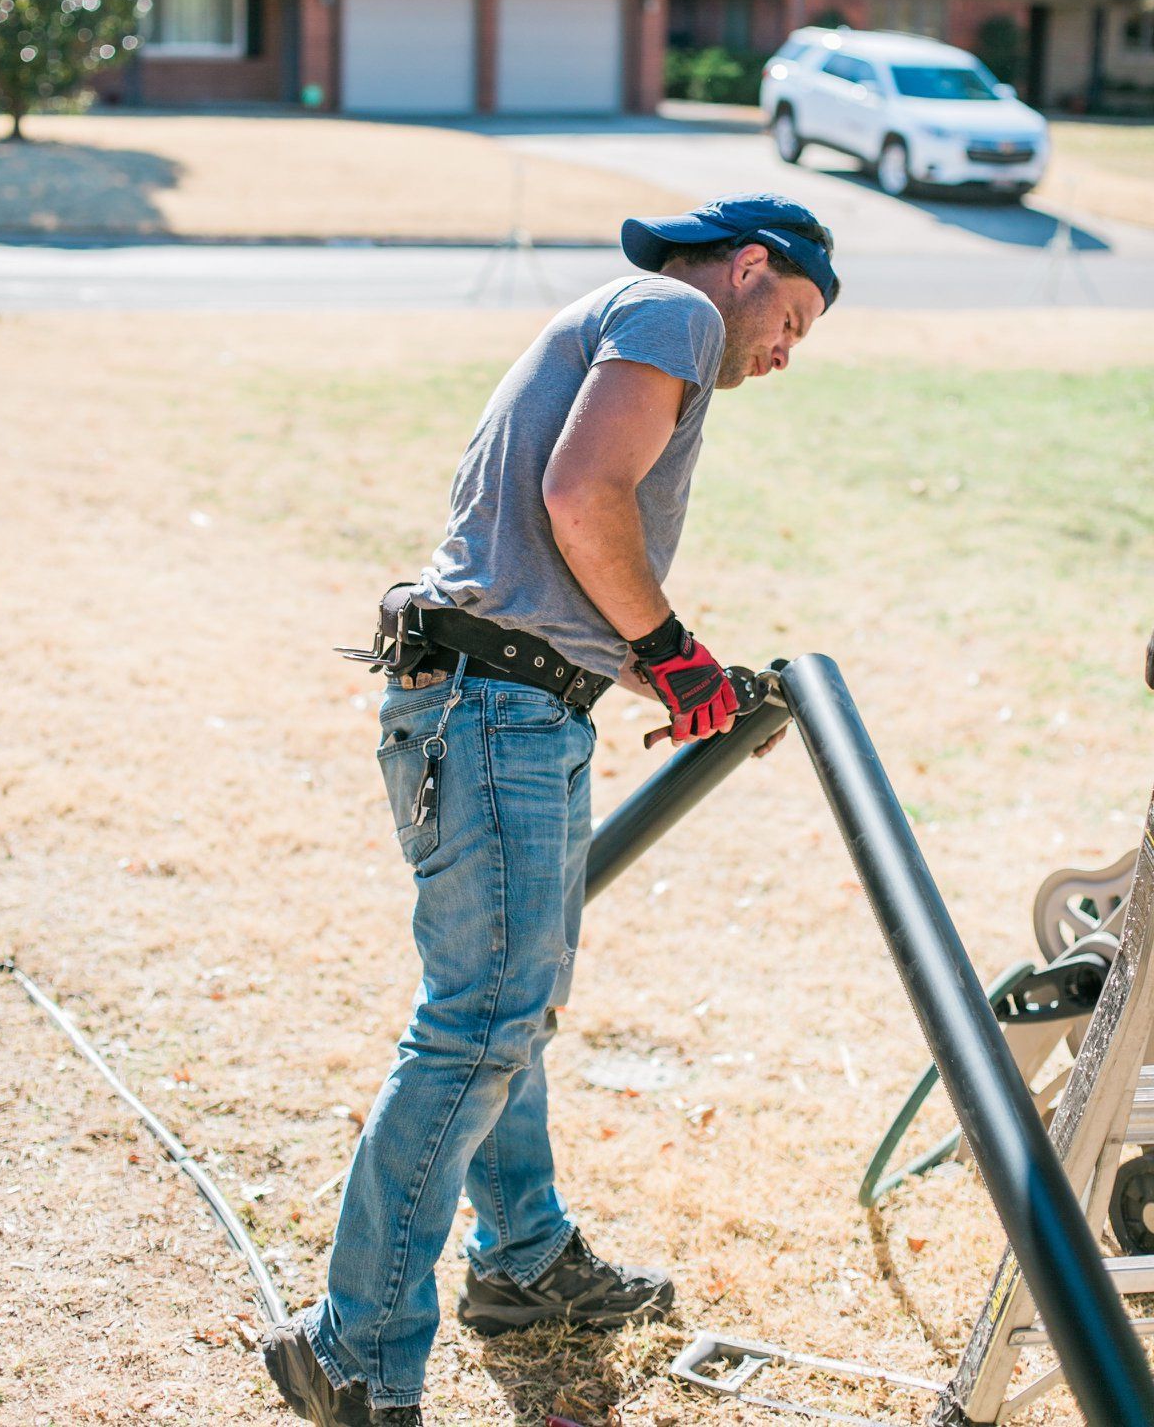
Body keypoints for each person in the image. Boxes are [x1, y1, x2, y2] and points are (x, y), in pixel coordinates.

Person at [265, 193, 839, 1425]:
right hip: (494, 711)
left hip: (507, 696)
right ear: (750, 269)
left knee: (507, 1006)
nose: (786, 353)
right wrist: (673, 653)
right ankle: (354, 1347)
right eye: (793, 318)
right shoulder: (675, 310)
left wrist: (688, 672)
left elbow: (557, 561)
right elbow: (588, 498)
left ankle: (523, 1260)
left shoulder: (641, 318)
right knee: (480, 1021)